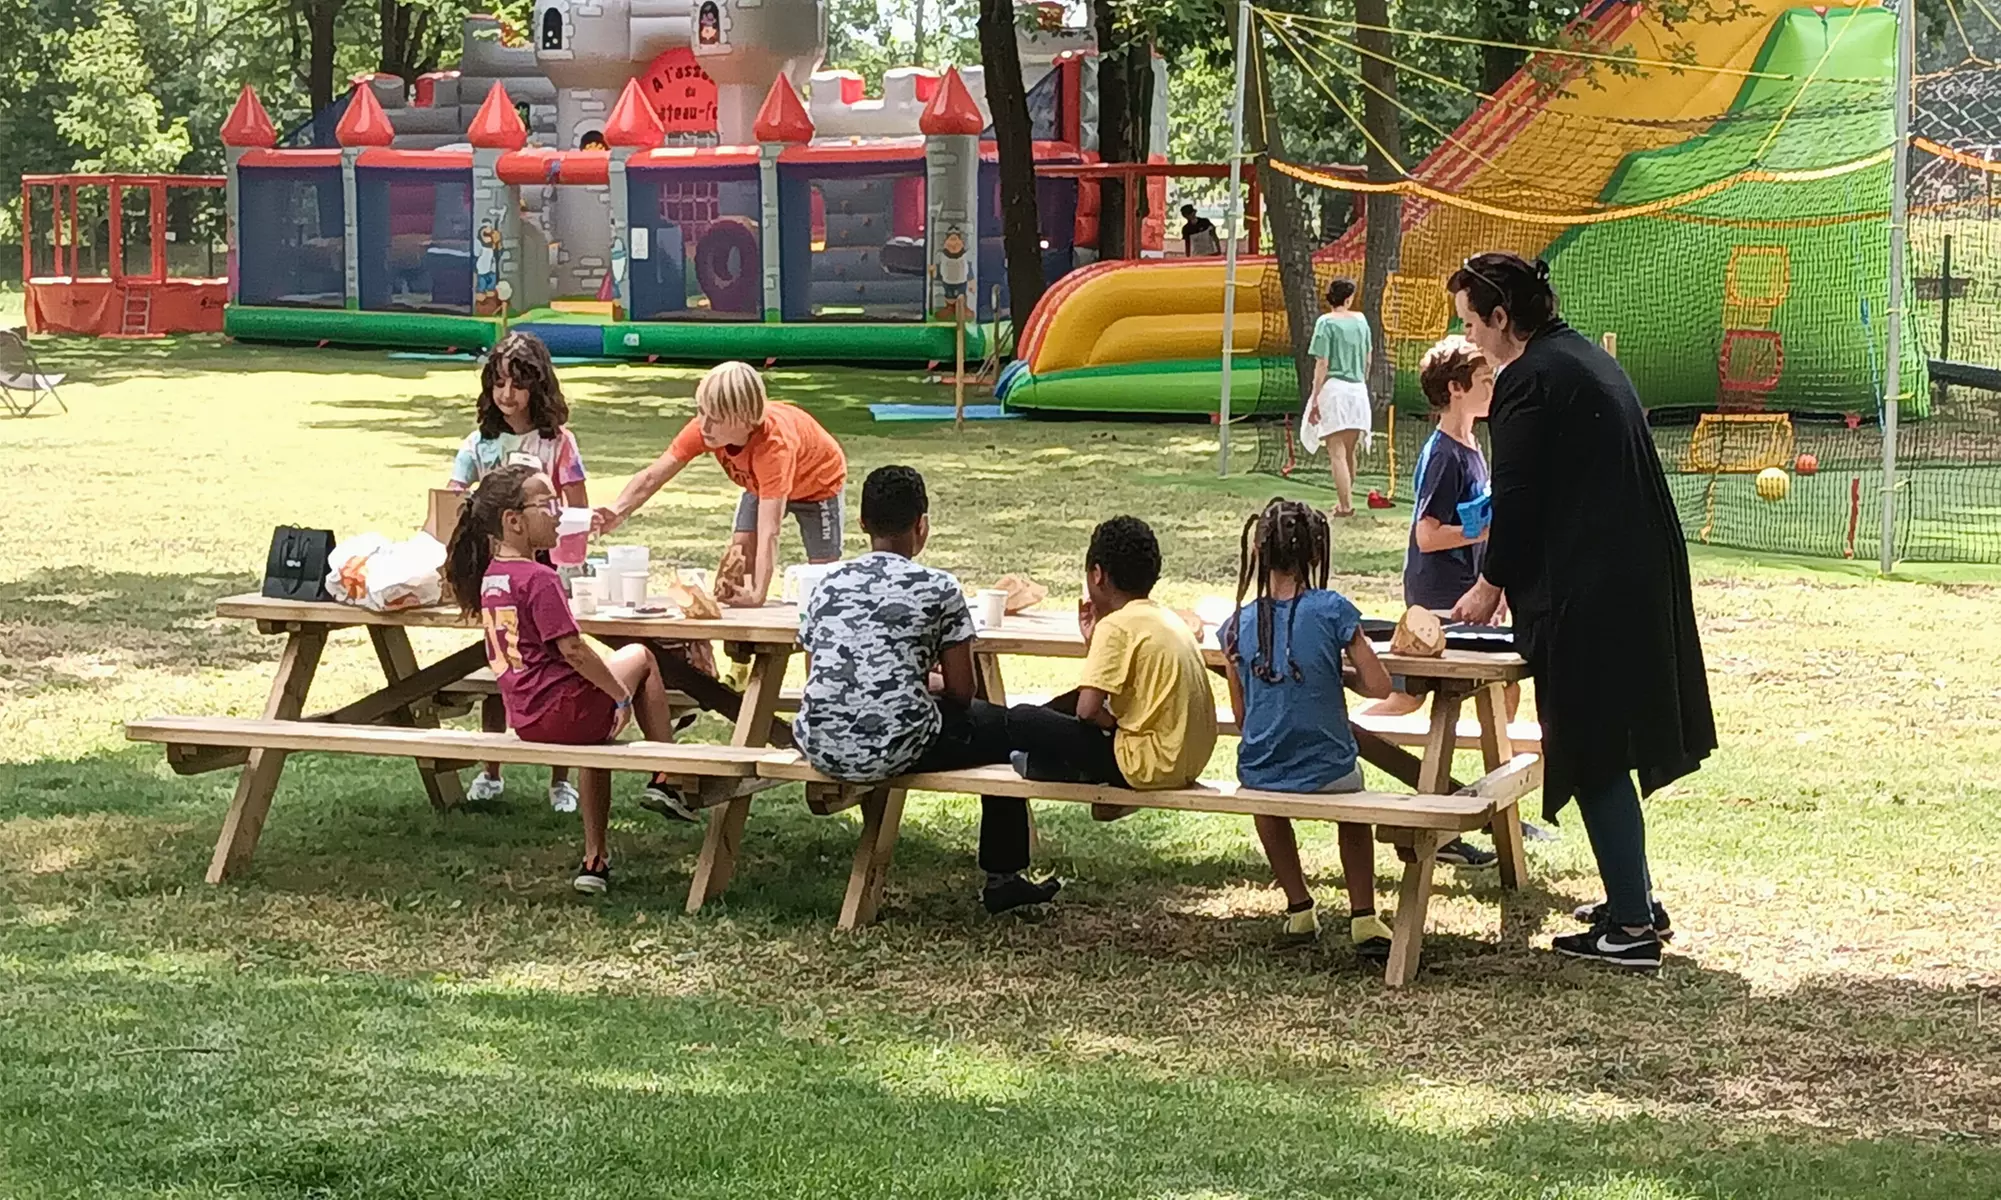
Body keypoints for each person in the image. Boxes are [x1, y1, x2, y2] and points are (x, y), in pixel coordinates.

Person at [1446, 251, 1716, 970]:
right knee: (1608, 745)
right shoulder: (1581, 358)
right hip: (1634, 575)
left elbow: (1520, 497)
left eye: (1472, 322)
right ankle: (1634, 900)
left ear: (1502, 317)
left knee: (1592, 749)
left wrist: (1488, 584)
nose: (1469, 337)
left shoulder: (1530, 381)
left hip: (1592, 588)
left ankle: (1629, 928)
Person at [792, 465, 1058, 913]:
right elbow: (961, 690)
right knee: (1002, 729)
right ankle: (1003, 875)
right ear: (923, 526)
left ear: (861, 525)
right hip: (895, 743)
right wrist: (924, 682)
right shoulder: (939, 587)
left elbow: (823, 671)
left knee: (990, 725)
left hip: (821, 740)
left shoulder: (827, 585)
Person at [445, 465, 699, 897]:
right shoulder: (540, 579)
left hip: (527, 719)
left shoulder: (491, 579)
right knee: (640, 657)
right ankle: (666, 776)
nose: (559, 513)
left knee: (591, 742)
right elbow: (575, 650)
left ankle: (594, 862)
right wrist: (620, 695)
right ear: (514, 521)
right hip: (566, 715)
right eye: (547, 504)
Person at [1220, 499, 1397, 958]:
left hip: (1262, 767)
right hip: (1329, 770)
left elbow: (1243, 718)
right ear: (1317, 556)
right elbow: (1379, 686)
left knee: (1265, 800)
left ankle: (1298, 906)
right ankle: (1363, 916)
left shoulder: (1237, 625)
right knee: (1353, 808)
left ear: (1257, 553)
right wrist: (1337, 673)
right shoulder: (1333, 610)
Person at [448, 331, 587, 813]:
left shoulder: (559, 443)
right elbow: (451, 501)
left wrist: (571, 565)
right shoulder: (479, 444)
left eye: (518, 384)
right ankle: (491, 768)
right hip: (495, 576)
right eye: (498, 384)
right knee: (502, 666)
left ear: (539, 386)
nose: (507, 395)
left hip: (547, 574)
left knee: (557, 666)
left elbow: (578, 509)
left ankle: (561, 776)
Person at [594, 360, 845, 607]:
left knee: (823, 574)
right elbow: (652, 477)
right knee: (739, 554)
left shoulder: (774, 448)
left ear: (745, 420)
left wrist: (759, 594)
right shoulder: (704, 429)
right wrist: (618, 510)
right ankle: (741, 638)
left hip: (818, 486)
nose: (703, 424)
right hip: (758, 484)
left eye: (714, 418)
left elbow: (770, 531)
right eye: (700, 411)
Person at [1011, 516, 1218, 795]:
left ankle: (1038, 761)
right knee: (1064, 705)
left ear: (1097, 575)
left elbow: (1087, 711)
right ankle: (1042, 762)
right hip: (1188, 761)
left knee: (1022, 718)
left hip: (1144, 766)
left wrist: (1114, 726)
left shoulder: (1116, 625)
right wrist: (1093, 644)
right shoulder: (1167, 618)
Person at [1300, 278, 1374, 517]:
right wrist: (1362, 380)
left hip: (1335, 390)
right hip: (1357, 389)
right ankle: (1346, 500)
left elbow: (1322, 363)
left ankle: (1345, 505)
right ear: (1348, 298)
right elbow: (1368, 357)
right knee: (1350, 451)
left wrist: (1315, 396)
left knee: (1337, 452)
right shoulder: (1361, 321)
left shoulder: (1325, 322)